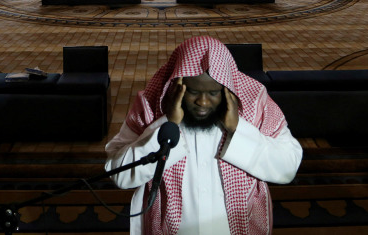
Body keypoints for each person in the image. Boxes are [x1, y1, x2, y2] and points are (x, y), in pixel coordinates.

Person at [105, 36, 303, 235]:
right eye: (192, 91)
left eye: (213, 93)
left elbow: (287, 168)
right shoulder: (150, 106)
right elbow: (119, 175)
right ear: (176, 84)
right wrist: (167, 123)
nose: (203, 102)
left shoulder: (255, 105)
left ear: (228, 89)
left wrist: (238, 128)